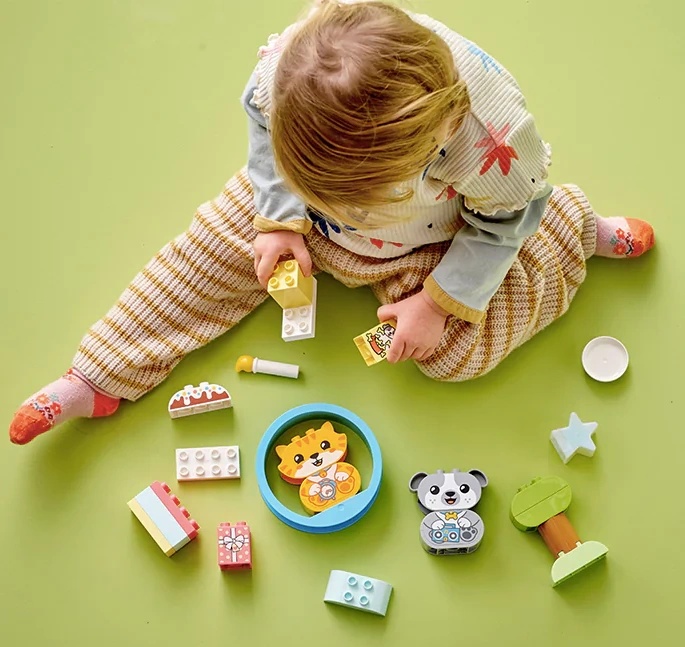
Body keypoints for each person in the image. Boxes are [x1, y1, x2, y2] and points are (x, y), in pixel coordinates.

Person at [8, 0, 654, 445]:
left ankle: (572, 229)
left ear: (442, 133)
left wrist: (436, 302)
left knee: (455, 352)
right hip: (301, 200)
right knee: (207, 248)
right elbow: (262, 129)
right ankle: (98, 376)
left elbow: (503, 220)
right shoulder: (289, 71)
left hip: (437, 239)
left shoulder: (495, 146)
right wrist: (280, 218)